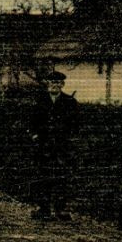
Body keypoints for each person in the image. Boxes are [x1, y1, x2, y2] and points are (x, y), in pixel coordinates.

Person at [28, 70, 80, 221]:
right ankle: (43, 209)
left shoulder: (70, 102)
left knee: (61, 177)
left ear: (62, 84)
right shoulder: (39, 101)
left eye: (58, 83)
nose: (54, 86)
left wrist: (69, 141)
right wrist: (35, 136)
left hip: (61, 146)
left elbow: (76, 125)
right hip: (42, 145)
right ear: (47, 84)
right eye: (52, 83)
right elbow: (31, 122)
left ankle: (60, 209)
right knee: (42, 176)